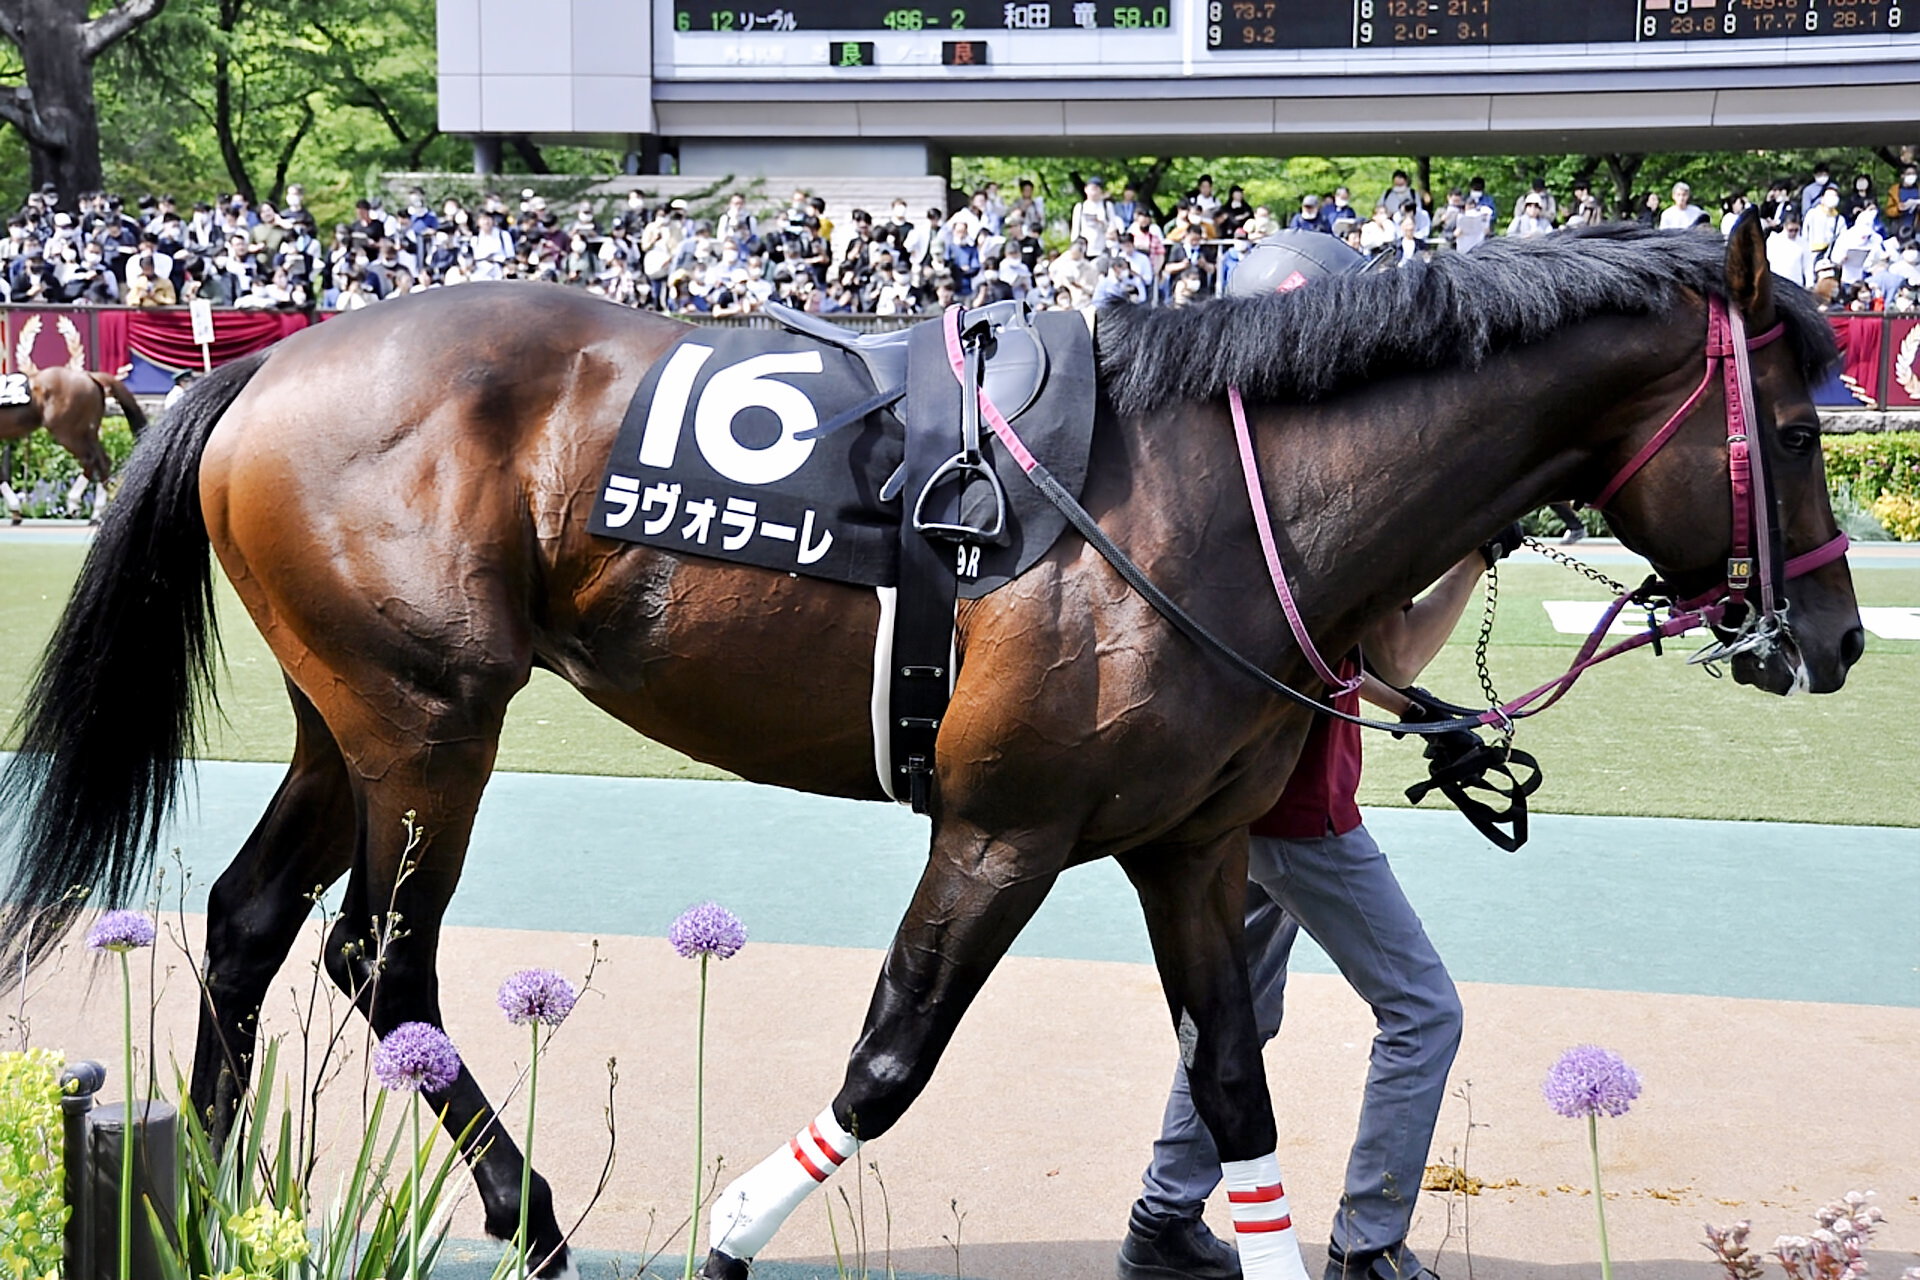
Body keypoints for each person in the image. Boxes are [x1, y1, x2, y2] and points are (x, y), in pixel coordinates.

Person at [1118, 534, 1523, 1280]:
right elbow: (1392, 652)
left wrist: (1419, 715)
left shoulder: (1288, 509)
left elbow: (1339, 654)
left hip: (1234, 804)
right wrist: (1471, 557)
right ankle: (1369, 1249)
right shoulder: (1368, 503)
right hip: (1302, 814)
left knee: (1232, 1011)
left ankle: (1164, 1222)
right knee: (1424, 1012)